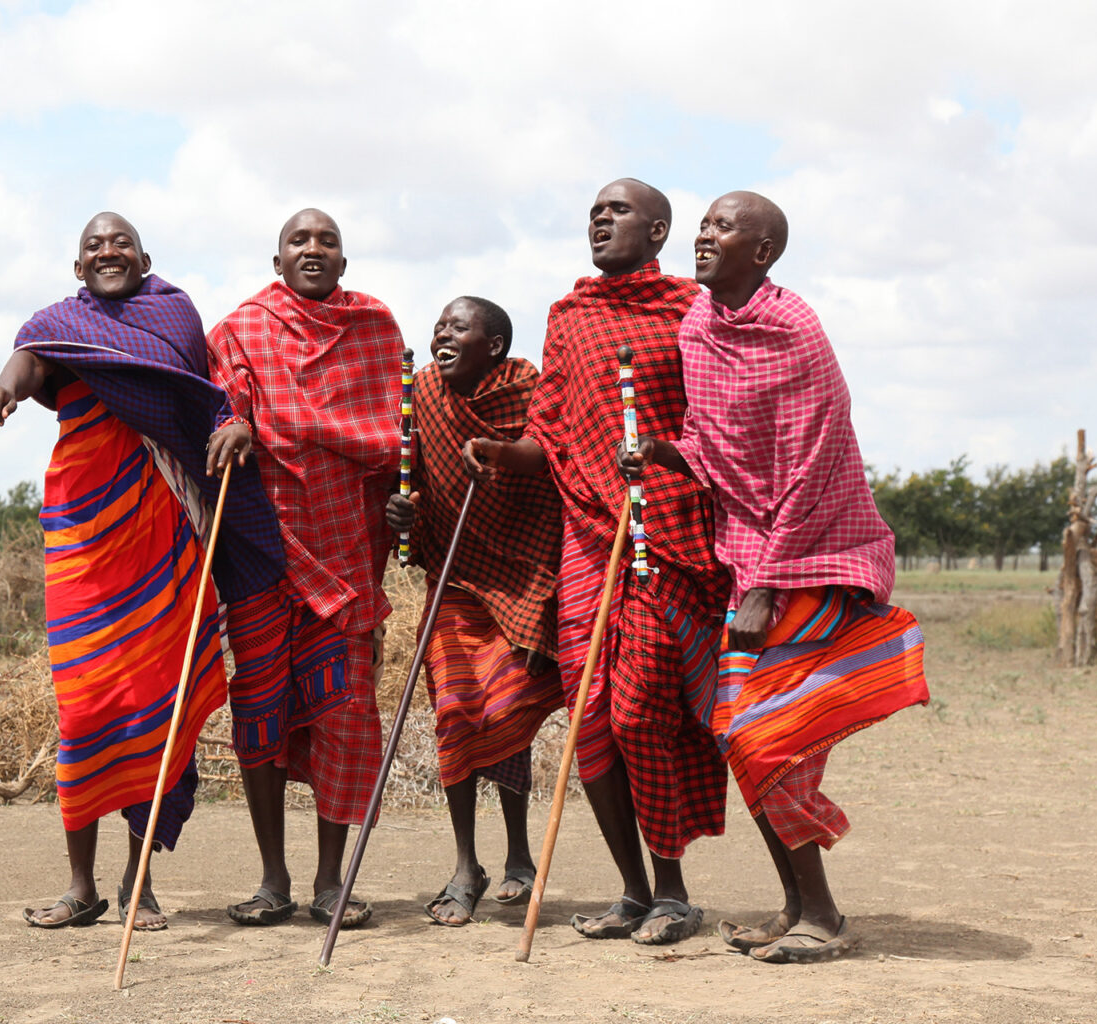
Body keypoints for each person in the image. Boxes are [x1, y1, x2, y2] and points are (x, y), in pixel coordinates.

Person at [622, 191, 929, 964]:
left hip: (818, 554)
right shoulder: (698, 325)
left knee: (761, 733)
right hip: (746, 555)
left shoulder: (794, 326)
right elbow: (711, 441)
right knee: (745, 736)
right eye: (704, 223)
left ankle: (823, 916)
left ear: (761, 252)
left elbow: (812, 459)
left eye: (723, 227)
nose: (704, 235)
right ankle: (798, 907)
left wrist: (768, 580)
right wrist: (662, 452)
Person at [0, 212, 284, 932]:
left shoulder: (173, 316)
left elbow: (201, 400)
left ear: (146, 257)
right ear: (77, 267)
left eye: (120, 243)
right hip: (82, 534)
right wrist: (3, 390)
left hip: (162, 534)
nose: (107, 251)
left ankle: (137, 884)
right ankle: (81, 887)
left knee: (158, 708)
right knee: (83, 712)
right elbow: (30, 359)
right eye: (93, 246)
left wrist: (231, 433)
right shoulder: (58, 322)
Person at [462, 179, 729, 945]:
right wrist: (503, 454)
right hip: (587, 540)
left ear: (659, 230)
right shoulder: (568, 317)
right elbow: (549, 432)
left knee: (644, 708)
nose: (600, 221)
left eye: (618, 212)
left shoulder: (692, 309)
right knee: (591, 722)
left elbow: (716, 415)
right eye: (594, 213)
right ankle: (635, 893)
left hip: (667, 533)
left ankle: (676, 890)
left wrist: (672, 462)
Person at [204, 208, 401, 929]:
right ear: (277, 259)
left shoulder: (375, 329)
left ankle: (329, 880)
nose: (314, 249)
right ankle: (272, 879)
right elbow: (229, 401)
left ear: (343, 264)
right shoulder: (239, 330)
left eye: (327, 242)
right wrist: (234, 425)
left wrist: (403, 502)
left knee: (346, 716)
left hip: (347, 552)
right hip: (264, 551)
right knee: (259, 713)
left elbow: (395, 440)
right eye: (300, 241)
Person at [384, 296, 565, 926]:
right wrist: (403, 510)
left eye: (459, 326)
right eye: (439, 324)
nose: (442, 333)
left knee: (506, 713)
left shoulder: (527, 390)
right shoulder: (423, 392)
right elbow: (414, 480)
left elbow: (551, 467)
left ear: (493, 346)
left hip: (524, 579)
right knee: (459, 711)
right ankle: (466, 865)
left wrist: (502, 453)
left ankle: (519, 854)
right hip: (455, 577)